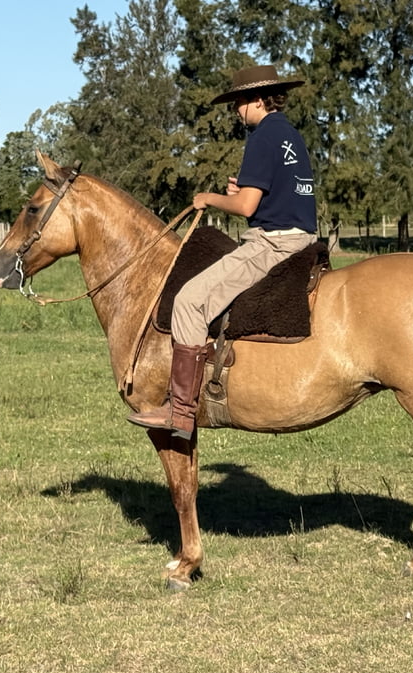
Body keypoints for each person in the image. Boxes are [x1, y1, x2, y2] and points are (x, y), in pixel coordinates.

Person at [128, 64, 318, 440]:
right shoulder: (288, 135)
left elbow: (247, 208)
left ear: (257, 99)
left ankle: (180, 410)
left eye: (239, 102)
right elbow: (270, 196)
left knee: (188, 301)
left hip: (274, 243)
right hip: (298, 235)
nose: (235, 110)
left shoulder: (262, 137)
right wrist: (241, 193)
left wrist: (210, 199)